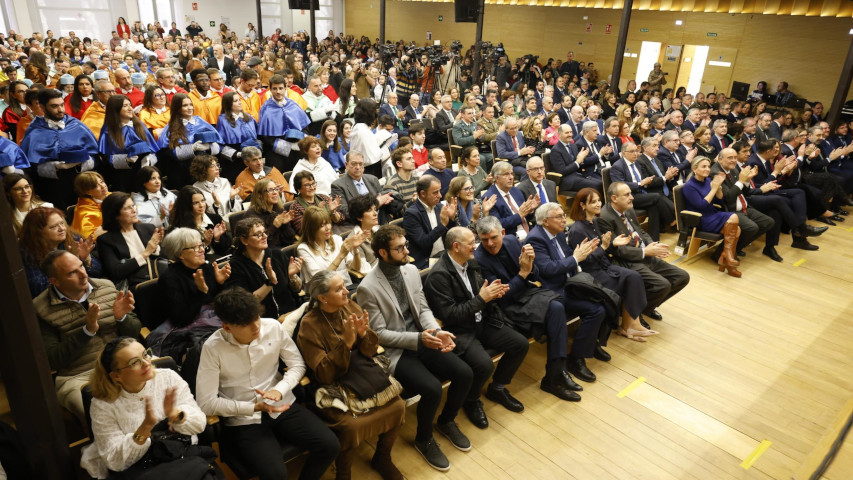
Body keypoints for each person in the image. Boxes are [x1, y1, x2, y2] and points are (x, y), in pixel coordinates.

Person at [357, 224, 472, 470]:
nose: (406, 251)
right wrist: (420, 339)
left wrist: (437, 332)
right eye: (399, 248)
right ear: (383, 253)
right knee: (432, 389)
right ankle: (424, 438)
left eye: (405, 245)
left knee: (464, 373)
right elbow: (379, 334)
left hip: (423, 337)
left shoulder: (409, 270)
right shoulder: (368, 287)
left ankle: (447, 421)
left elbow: (423, 309)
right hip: (398, 350)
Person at [196, 287, 340, 480]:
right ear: (227, 327)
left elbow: (297, 365)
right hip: (245, 419)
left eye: (256, 318)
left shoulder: (272, 326)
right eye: (246, 324)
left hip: (281, 404)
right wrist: (253, 406)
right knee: (275, 475)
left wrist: (279, 390)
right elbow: (206, 403)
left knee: (330, 445)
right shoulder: (212, 349)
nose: (256, 327)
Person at [296, 271, 406, 480]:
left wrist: (364, 335)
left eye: (344, 285)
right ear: (322, 298)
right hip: (331, 384)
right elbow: (323, 373)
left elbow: (371, 351)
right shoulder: (309, 324)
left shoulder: (349, 307)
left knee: (398, 406)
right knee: (352, 426)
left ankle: (382, 458)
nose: (347, 291)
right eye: (339, 289)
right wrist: (345, 344)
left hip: (360, 373)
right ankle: (344, 472)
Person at [423, 227, 530, 428]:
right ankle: (471, 401)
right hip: (459, 330)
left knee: (520, 344)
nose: (476, 246)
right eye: (471, 243)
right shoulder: (438, 276)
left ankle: (497, 388)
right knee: (484, 365)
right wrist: (483, 298)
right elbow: (450, 315)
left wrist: (494, 293)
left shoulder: (471, 263)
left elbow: (480, 294)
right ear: (456, 246)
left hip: (482, 320)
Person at [474, 216, 583, 401]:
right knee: (554, 310)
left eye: (493, 237)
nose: (490, 243)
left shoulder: (510, 241)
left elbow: (534, 274)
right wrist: (523, 273)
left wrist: (530, 265)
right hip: (504, 307)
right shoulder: (478, 259)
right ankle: (555, 375)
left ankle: (556, 372)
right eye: (484, 240)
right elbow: (501, 295)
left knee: (557, 307)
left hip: (526, 295)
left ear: (502, 233)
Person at [79, 338, 213, 479]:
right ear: (116, 375)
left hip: (184, 457)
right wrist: (145, 427)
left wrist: (176, 414)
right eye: (134, 362)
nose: (146, 363)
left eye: (145, 355)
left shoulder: (168, 378)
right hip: (142, 470)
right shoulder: (102, 404)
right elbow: (114, 461)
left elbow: (200, 424)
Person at [34, 249, 140, 421]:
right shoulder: (41, 308)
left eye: (81, 266)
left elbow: (135, 332)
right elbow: (53, 359)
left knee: (160, 392)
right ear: (54, 281)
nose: (83, 274)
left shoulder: (105, 286)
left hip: (124, 361)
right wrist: (87, 331)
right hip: (79, 376)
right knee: (104, 416)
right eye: (72, 273)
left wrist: (122, 318)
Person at [565, 190, 657, 343]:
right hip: (591, 274)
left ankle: (631, 324)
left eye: (599, 200)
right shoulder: (577, 230)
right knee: (628, 279)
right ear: (582, 205)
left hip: (603, 266)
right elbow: (583, 261)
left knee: (633, 276)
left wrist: (612, 244)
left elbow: (603, 248)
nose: (598, 204)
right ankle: (628, 325)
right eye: (593, 202)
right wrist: (605, 247)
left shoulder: (594, 221)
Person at [597, 182, 690, 322]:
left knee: (682, 276)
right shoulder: (604, 217)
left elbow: (639, 231)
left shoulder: (627, 208)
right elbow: (617, 249)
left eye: (631, 193)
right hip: (626, 261)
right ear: (614, 198)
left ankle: (645, 309)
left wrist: (653, 245)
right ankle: (634, 314)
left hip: (643, 253)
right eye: (627, 195)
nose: (632, 197)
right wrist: (645, 251)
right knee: (662, 285)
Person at [22, 88, 99, 209]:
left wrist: (81, 163)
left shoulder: (76, 125)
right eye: (54, 106)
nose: (60, 110)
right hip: (52, 187)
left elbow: (95, 155)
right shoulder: (34, 130)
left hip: (81, 182)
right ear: (42, 107)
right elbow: (30, 165)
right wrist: (55, 167)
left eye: (62, 105)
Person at [711, 147, 780, 261]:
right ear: (720, 159)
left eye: (734, 157)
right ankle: (719, 254)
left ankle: (734, 250)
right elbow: (728, 198)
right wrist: (741, 180)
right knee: (751, 228)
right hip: (729, 210)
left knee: (768, 222)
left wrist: (747, 180)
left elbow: (745, 192)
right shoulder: (715, 173)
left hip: (743, 206)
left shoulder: (733, 169)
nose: (733, 160)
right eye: (730, 158)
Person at [226, 217, 303, 318]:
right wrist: (270, 282)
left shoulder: (277, 255)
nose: (265, 236)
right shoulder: (236, 267)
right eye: (258, 234)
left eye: (264, 232)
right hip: (264, 322)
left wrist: (292, 276)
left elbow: (297, 289)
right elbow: (245, 304)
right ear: (244, 240)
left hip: (291, 314)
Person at [156, 227, 231, 329]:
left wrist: (220, 283)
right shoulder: (169, 279)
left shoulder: (206, 267)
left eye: (201, 245)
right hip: (189, 329)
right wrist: (200, 292)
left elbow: (219, 302)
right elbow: (181, 319)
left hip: (214, 319)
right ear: (180, 254)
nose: (202, 250)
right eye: (195, 247)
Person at [18, 206, 101, 298]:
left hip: (87, 292)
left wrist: (85, 259)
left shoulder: (73, 239)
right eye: (53, 227)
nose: (62, 229)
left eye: (62, 223)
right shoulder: (27, 253)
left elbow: (98, 272)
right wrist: (69, 265)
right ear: (38, 232)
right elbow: (39, 288)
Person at [681, 156, 743, 277]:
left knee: (737, 230)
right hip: (701, 219)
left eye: (709, 166)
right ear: (694, 169)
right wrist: (714, 189)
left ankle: (727, 259)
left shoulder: (708, 180)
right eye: (704, 166)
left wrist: (718, 186)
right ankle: (728, 258)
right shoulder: (689, 186)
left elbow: (720, 199)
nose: (708, 169)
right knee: (734, 217)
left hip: (712, 214)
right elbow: (702, 205)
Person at [96, 192, 164, 289]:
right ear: (115, 215)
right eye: (127, 208)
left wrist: (155, 249)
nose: (134, 211)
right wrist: (145, 253)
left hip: (158, 278)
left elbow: (163, 259)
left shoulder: (148, 228)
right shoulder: (105, 240)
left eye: (133, 206)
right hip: (134, 287)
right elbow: (116, 272)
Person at [158, 93, 223, 188]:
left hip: (204, 168)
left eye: (190, 104)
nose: (189, 108)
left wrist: (208, 147)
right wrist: (191, 148)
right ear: (178, 108)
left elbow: (218, 142)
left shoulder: (201, 121)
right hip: (182, 171)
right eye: (185, 105)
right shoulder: (171, 127)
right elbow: (166, 152)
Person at [99, 95, 160, 193]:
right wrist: (126, 160)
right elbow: (107, 158)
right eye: (125, 106)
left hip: (144, 172)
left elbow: (153, 149)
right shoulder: (108, 131)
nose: (130, 109)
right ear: (115, 109)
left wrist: (149, 159)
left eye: (130, 105)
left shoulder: (140, 125)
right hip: (124, 176)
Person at [297, 206, 368, 288]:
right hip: (325, 293)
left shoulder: (336, 239)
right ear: (311, 229)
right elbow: (320, 281)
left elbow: (356, 267)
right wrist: (341, 255)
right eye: (322, 225)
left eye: (328, 223)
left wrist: (355, 249)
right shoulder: (303, 249)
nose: (327, 228)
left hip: (347, 287)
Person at [258, 74, 311, 172]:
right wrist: (288, 147)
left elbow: (305, 127)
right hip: (276, 153)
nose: (278, 92)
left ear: (286, 88)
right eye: (274, 89)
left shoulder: (293, 105)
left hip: (296, 150)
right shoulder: (265, 109)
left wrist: (300, 141)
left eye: (280, 88)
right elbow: (266, 137)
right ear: (270, 89)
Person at [403, 175, 457, 269]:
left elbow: (449, 235)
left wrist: (451, 220)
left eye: (439, 191)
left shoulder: (439, 207)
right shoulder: (411, 214)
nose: (440, 195)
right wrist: (443, 225)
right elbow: (424, 242)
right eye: (435, 192)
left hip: (445, 255)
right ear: (423, 194)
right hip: (427, 261)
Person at [168, 186, 232, 257]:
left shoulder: (215, 218)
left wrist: (217, 239)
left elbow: (225, 248)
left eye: (203, 200)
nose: (201, 205)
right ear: (186, 205)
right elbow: (185, 256)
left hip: (220, 260)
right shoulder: (179, 227)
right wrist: (205, 243)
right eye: (195, 203)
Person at [483, 161, 540, 241]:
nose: (511, 177)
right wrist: (519, 215)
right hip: (511, 239)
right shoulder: (489, 198)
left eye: (511, 174)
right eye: (506, 174)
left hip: (529, 233)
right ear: (496, 178)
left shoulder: (516, 191)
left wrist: (530, 210)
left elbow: (526, 217)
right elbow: (497, 225)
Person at [331, 151, 395, 221]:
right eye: (354, 164)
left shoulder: (373, 179)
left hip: (380, 220)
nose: (358, 167)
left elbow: (382, 201)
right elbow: (345, 213)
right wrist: (376, 203)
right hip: (357, 225)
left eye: (360, 164)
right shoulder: (338, 185)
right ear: (346, 165)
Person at [216, 91, 262, 183]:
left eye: (239, 100)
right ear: (229, 104)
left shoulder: (249, 117)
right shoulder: (223, 120)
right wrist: (237, 154)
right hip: (235, 159)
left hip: (252, 155)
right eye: (235, 101)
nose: (240, 102)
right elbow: (220, 144)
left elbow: (258, 136)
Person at [244, 178, 298, 248]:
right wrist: (274, 226)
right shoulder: (252, 215)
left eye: (276, 189)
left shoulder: (279, 210)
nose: (275, 192)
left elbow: (289, 240)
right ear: (259, 195)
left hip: (281, 251)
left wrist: (285, 225)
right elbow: (259, 243)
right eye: (270, 190)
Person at [349, 98, 394, 179]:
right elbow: (371, 157)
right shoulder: (361, 130)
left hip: (370, 168)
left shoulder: (361, 127)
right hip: (369, 171)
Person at [348, 194, 381, 275]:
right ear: (359, 217)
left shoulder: (379, 230)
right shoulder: (354, 239)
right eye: (370, 210)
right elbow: (365, 270)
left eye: (375, 209)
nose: (375, 213)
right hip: (375, 277)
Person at [70, 171, 109, 239]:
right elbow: (89, 237)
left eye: (102, 182)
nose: (103, 186)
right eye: (96, 186)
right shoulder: (83, 211)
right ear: (88, 192)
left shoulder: (112, 196)